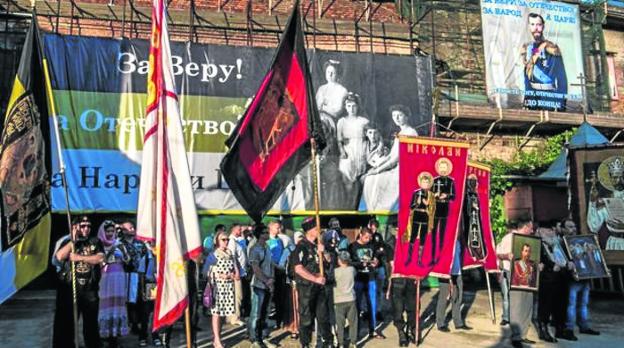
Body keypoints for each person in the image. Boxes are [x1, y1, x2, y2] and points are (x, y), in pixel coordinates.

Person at [52, 216, 104, 348]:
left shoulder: (95, 241)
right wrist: (72, 242)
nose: (86, 228)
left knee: (91, 324)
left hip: (89, 289)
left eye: (88, 226)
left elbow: (99, 258)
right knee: (66, 324)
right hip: (69, 290)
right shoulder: (65, 241)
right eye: (83, 226)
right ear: (75, 227)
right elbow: (58, 258)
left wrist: (78, 257)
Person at [360, 104, 418, 211]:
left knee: (372, 179)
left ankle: (378, 211)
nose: (396, 119)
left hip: (404, 171)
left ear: (407, 116)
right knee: (370, 178)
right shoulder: (401, 133)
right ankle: (372, 211)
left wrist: (375, 171)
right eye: (394, 116)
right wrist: (375, 168)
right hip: (397, 168)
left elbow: (394, 160)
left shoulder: (410, 133)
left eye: (399, 115)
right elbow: (390, 156)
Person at [293, 217, 333, 348]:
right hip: (306, 288)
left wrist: (323, 253)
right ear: (309, 230)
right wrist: (315, 278)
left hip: (320, 288)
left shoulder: (318, 246)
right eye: (316, 228)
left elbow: (327, 264)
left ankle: (328, 342)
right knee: (306, 318)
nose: (319, 230)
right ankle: (305, 344)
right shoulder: (301, 247)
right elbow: (298, 269)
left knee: (323, 317)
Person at [558, 218, 601, 341]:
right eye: (570, 227)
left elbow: (591, 258)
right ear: (563, 229)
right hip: (572, 279)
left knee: (583, 304)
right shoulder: (562, 243)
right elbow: (561, 260)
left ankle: (584, 326)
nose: (573, 229)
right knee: (571, 305)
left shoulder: (582, 241)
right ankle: (569, 329)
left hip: (585, 277)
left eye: (574, 226)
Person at [521, 12, 568, 111]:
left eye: (538, 24)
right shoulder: (528, 48)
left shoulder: (552, 49)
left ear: (543, 26)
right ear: (529, 27)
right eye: (532, 24)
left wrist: (561, 104)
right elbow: (527, 78)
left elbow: (561, 78)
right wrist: (527, 100)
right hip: (533, 98)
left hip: (549, 97)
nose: (536, 28)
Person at [536, 223, 572, 343]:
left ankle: (560, 329)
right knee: (546, 305)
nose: (550, 233)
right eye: (547, 231)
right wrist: (548, 266)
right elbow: (535, 260)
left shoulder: (560, 242)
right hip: (547, 278)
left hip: (562, 277)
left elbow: (568, 256)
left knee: (561, 304)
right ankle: (543, 330)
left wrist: (570, 262)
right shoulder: (537, 243)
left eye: (551, 230)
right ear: (540, 231)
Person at [507, 218, 540, 348]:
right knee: (516, 308)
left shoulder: (532, 244)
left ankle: (523, 335)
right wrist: (506, 256)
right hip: (514, 280)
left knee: (527, 307)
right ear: (525, 227)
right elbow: (497, 254)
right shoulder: (510, 238)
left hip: (529, 284)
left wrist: (539, 266)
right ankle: (515, 337)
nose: (532, 230)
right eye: (530, 228)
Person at [97, 220, 130, 347]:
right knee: (104, 304)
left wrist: (122, 255)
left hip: (118, 276)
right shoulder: (98, 244)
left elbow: (128, 260)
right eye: (107, 231)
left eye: (112, 231)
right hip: (104, 277)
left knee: (117, 303)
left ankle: (115, 334)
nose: (110, 233)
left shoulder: (119, 244)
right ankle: (103, 333)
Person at [349, 227, 384, 339]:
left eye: (370, 237)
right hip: (358, 278)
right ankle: (356, 331)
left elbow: (376, 259)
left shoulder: (372, 246)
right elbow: (348, 262)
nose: (368, 239)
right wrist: (360, 264)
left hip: (371, 278)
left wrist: (376, 262)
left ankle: (372, 330)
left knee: (372, 305)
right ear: (360, 235)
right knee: (357, 306)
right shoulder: (352, 246)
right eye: (366, 237)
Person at [207, 230, 239, 348]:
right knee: (216, 313)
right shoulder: (213, 254)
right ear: (217, 241)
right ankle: (217, 339)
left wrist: (233, 274)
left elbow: (236, 272)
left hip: (229, 286)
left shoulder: (230, 253)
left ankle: (218, 338)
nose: (226, 242)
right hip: (217, 287)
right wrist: (221, 275)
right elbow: (208, 272)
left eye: (227, 239)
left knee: (224, 314)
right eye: (223, 239)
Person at [337, 92, 369, 208]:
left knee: (360, 182)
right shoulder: (341, 121)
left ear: (358, 106)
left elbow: (370, 137)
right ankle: (347, 206)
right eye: (349, 106)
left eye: (354, 106)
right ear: (345, 107)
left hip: (361, 150)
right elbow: (339, 140)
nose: (352, 108)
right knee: (347, 180)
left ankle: (357, 207)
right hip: (348, 151)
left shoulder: (363, 121)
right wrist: (342, 151)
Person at [248, 224, 276, 348]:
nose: (267, 233)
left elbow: (271, 265)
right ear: (259, 235)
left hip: (268, 284)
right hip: (259, 285)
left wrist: (272, 280)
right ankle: (254, 339)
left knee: (265, 313)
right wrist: (266, 280)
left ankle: (263, 337)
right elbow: (256, 268)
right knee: (256, 313)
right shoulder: (255, 249)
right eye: (265, 232)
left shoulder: (267, 247)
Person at [118, 220, 147, 338]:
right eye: (129, 228)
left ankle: (137, 324)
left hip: (139, 275)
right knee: (127, 301)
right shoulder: (119, 244)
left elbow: (146, 256)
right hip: (124, 275)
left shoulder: (140, 243)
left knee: (138, 300)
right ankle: (128, 323)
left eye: (133, 228)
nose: (132, 230)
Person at [436, 240, 472, 333]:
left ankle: (458, 322)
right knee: (444, 298)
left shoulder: (459, 242)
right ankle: (440, 323)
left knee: (457, 297)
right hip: (445, 272)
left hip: (457, 271)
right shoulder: (445, 240)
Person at [404, 172, 435, 266]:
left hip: (425, 216)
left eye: (427, 182)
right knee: (413, 235)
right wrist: (417, 203)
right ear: (420, 183)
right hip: (417, 214)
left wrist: (428, 205)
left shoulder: (431, 195)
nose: (425, 184)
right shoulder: (416, 193)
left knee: (423, 237)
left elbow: (433, 209)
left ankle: (419, 259)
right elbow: (411, 207)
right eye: (423, 182)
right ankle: (409, 258)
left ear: (429, 183)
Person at [431, 158, 456, 264]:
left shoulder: (451, 181)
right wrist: (434, 196)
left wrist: (447, 195)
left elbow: (454, 196)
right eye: (441, 167)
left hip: (444, 209)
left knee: (442, 233)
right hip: (435, 209)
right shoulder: (434, 181)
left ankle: (441, 257)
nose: (443, 170)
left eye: (445, 168)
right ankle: (432, 257)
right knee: (433, 233)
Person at [333, 251, 358, 348]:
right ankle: (353, 342)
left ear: (339, 260)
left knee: (340, 324)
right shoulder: (352, 269)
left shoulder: (335, 271)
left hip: (339, 300)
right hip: (351, 298)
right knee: (353, 322)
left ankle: (341, 343)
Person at [283, 231, 305, 339]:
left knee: (303, 305)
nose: (301, 239)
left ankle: (303, 327)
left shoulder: (305, 250)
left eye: (302, 237)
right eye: (299, 238)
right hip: (293, 282)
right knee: (294, 306)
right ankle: (295, 328)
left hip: (304, 282)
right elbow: (285, 266)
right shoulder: (289, 250)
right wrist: (291, 278)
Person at [227, 223, 248, 326]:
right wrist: (237, 271)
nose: (241, 232)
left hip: (242, 271)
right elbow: (233, 257)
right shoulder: (231, 241)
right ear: (234, 230)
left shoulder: (237, 241)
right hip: (237, 273)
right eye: (240, 230)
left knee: (239, 295)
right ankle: (235, 317)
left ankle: (235, 316)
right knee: (237, 295)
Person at [267, 220, 286, 327]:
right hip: (270, 270)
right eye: (277, 228)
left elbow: (282, 253)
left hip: (280, 270)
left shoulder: (280, 241)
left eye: (279, 228)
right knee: (270, 295)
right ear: (271, 228)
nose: (279, 230)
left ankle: (279, 319)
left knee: (280, 295)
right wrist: (275, 266)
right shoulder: (267, 241)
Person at [463, 174, 486, 260]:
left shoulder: (476, 194)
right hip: (470, 219)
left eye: (475, 182)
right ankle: (472, 253)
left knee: (477, 234)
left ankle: (479, 253)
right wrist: (472, 205)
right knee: (471, 235)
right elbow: (466, 207)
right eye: (472, 182)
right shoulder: (467, 195)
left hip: (476, 218)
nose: (475, 184)